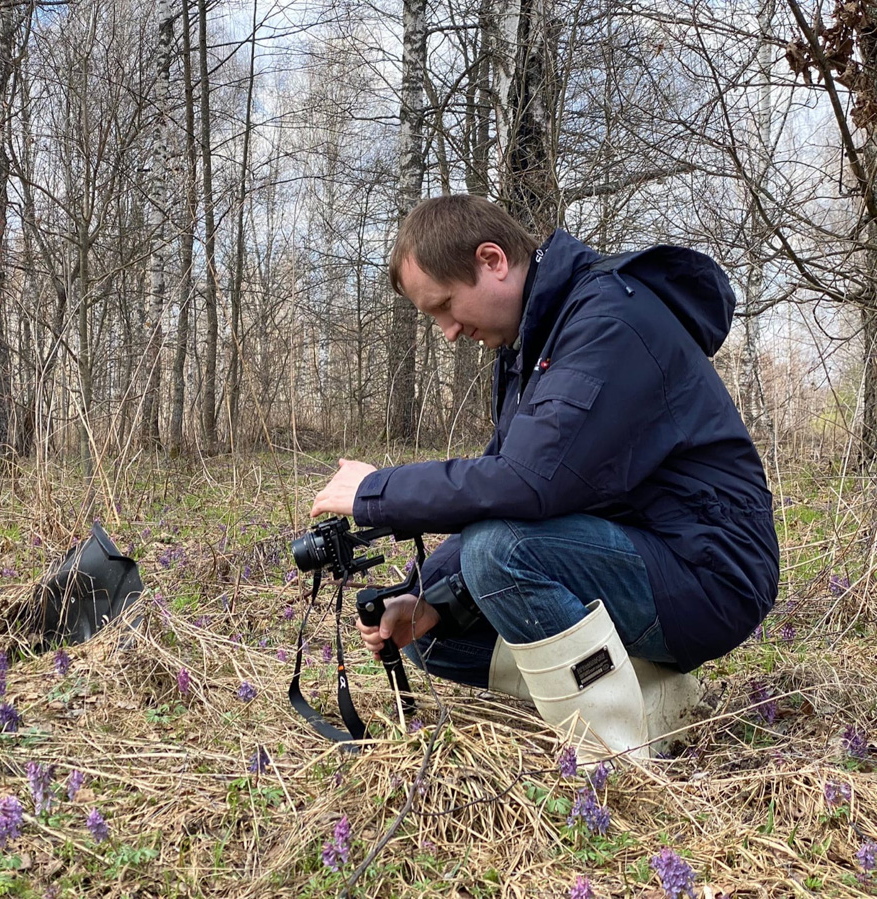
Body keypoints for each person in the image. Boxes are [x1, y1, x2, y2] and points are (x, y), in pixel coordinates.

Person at [310, 195, 779, 763]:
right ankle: (651, 691)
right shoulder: (538, 343)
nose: (448, 331)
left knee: (496, 556)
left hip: (708, 572)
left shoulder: (608, 323)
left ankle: (617, 753)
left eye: (445, 306)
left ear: (493, 260)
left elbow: (525, 483)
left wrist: (378, 491)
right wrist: (422, 596)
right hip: (643, 549)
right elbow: (502, 489)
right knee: (432, 630)